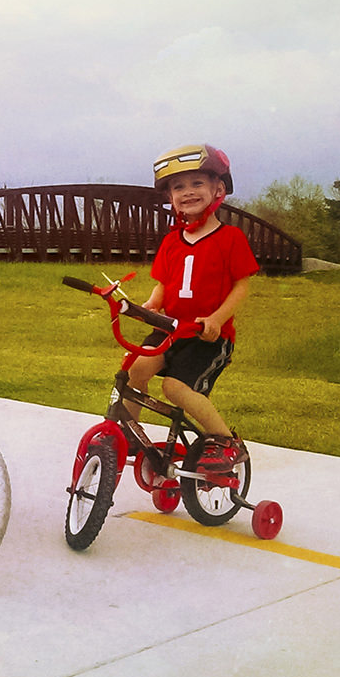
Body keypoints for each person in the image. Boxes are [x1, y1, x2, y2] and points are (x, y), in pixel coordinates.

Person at [124, 143, 260, 465]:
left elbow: (242, 286)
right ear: (170, 197)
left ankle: (227, 442)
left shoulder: (230, 238)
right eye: (178, 187)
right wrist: (152, 304)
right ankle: (128, 431)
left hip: (206, 337)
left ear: (218, 189)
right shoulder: (172, 241)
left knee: (174, 387)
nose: (187, 192)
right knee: (134, 369)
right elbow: (164, 283)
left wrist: (216, 318)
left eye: (197, 183)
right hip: (171, 327)